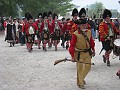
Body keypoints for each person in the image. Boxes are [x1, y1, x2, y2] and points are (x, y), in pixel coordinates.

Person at [69, 18, 95, 89]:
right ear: (79, 26)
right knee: (79, 69)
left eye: (85, 24)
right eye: (82, 25)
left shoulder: (89, 32)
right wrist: (72, 56)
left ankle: (80, 78)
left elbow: (91, 42)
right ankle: (80, 83)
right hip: (79, 53)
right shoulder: (75, 34)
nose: (84, 26)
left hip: (87, 53)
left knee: (88, 67)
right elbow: (72, 46)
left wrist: (93, 49)